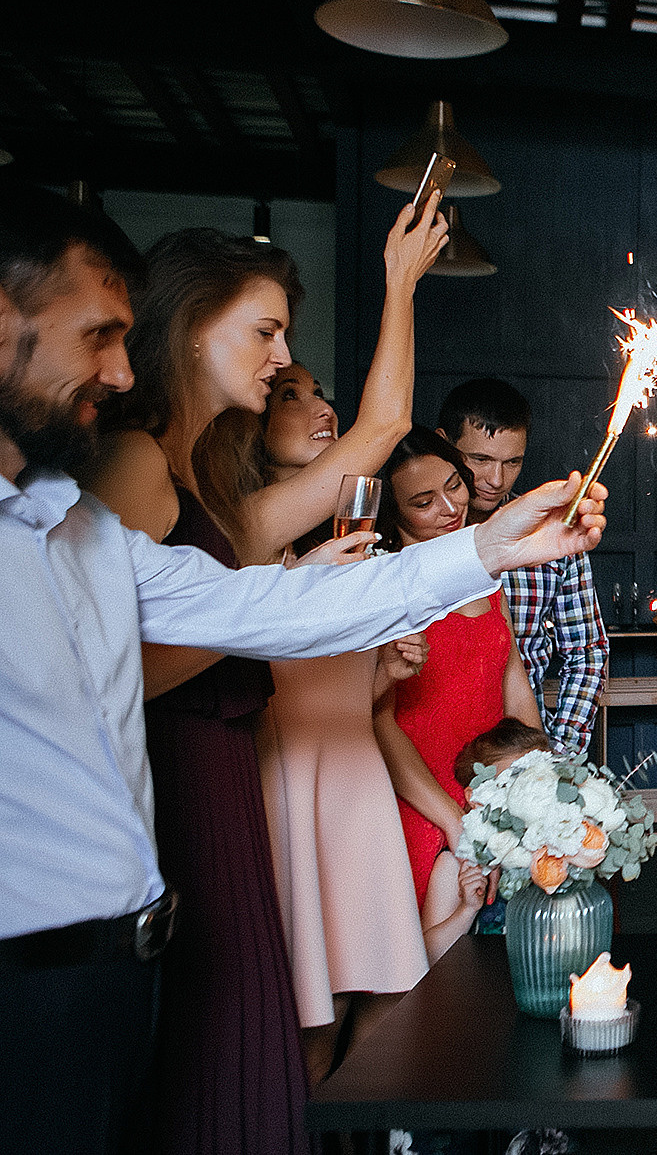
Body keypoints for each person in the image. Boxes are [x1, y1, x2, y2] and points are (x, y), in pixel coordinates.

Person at [0, 180, 605, 1155]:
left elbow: (263, 608)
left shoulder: (65, 527)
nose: (117, 373)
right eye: (95, 337)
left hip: (116, 953)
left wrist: (487, 552)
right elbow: (237, 628)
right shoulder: (126, 479)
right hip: (44, 956)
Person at [252, 202, 445, 1085]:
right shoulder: (239, 531)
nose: (315, 402)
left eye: (318, 388)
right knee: (299, 1021)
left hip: (355, 775)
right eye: (290, 394)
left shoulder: (349, 529)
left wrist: (388, 665)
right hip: (287, 776)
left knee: (390, 1005)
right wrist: (398, 281)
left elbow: (369, 700)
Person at [373, 429, 548, 905]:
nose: (451, 509)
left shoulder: (483, 573)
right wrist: (453, 821)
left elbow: (513, 678)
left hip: (492, 784)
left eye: (454, 485)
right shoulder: (385, 584)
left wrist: (541, 776)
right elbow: (377, 722)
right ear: (394, 514)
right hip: (424, 798)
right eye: (424, 502)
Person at [440, 378, 608, 759]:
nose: (495, 480)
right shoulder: (421, 531)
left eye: (511, 462)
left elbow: (587, 650)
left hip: (522, 748)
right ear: (443, 444)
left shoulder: (555, 534)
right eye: (480, 459)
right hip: (434, 744)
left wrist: (559, 753)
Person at [420, 720, 550, 963]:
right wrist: (467, 909)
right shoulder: (454, 864)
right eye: (512, 783)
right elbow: (428, 957)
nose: (527, 794)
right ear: (476, 797)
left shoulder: (554, 853)